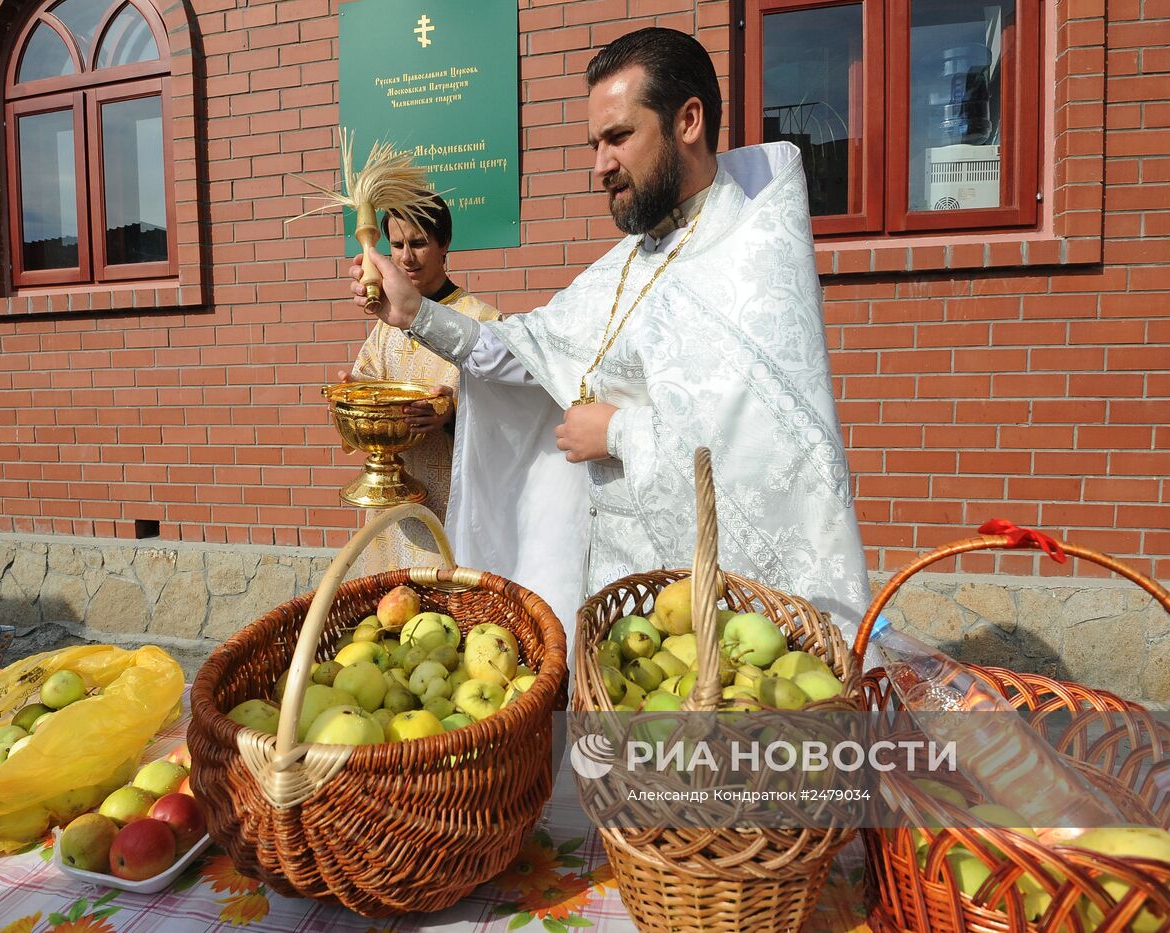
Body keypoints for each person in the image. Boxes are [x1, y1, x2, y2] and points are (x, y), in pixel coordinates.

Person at [349, 28, 871, 644]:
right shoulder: (629, 261)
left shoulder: (749, 258)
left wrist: (618, 431)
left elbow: (773, 449)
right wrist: (414, 312)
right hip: (605, 588)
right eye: (595, 143)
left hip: (699, 609)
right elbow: (524, 353)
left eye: (618, 137)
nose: (600, 166)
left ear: (688, 121)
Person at [339, 195, 497, 578]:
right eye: (397, 245)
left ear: (444, 245)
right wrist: (355, 394)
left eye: (419, 242)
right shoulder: (386, 324)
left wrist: (451, 415)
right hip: (390, 509)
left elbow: (506, 417)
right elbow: (370, 380)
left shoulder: (482, 321)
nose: (407, 257)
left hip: (450, 507)